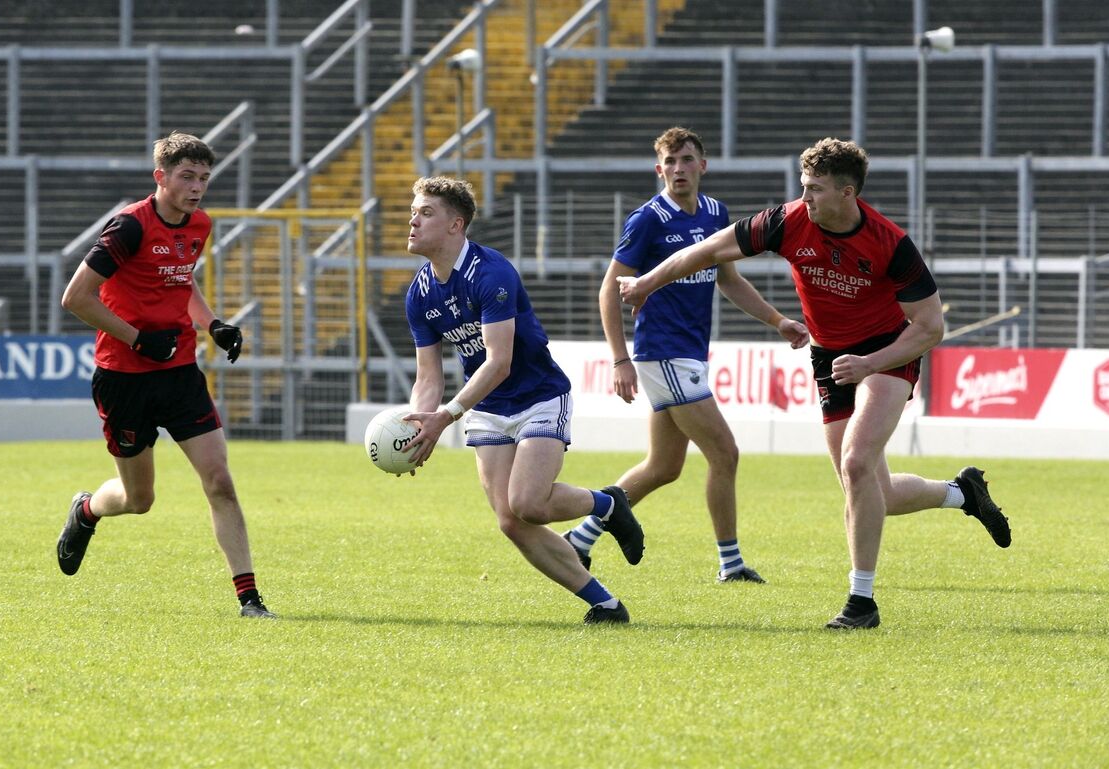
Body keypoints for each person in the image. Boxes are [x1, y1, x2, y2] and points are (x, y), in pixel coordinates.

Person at [618, 137, 1011, 630]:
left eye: (815, 190)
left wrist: (871, 364)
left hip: (889, 353)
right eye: (803, 187)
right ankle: (962, 494)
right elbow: (707, 252)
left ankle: (861, 602)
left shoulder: (891, 244)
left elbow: (930, 328)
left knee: (857, 460)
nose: (804, 199)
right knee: (870, 491)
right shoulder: (786, 221)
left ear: (848, 194)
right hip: (830, 357)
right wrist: (647, 283)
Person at [562, 126, 809, 585]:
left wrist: (778, 321)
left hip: (691, 354)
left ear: (703, 165)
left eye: (686, 159)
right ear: (659, 169)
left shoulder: (716, 212)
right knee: (725, 452)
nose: (678, 169)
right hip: (663, 355)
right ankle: (731, 564)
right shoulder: (647, 220)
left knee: (663, 467)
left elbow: (729, 280)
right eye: (670, 162)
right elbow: (608, 290)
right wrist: (621, 360)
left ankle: (579, 537)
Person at [400, 176, 645, 625]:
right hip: (491, 408)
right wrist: (420, 423)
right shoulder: (418, 293)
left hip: (538, 395)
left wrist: (446, 417)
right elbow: (428, 377)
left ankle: (607, 503)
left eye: (426, 212)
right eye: (413, 211)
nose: (413, 220)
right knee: (511, 521)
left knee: (529, 504)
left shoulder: (490, 273)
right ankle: (606, 605)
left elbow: (499, 363)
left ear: (456, 225)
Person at [57, 131, 275, 619]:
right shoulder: (127, 228)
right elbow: (75, 298)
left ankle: (249, 599)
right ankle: (87, 509)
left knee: (219, 481)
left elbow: (183, 274)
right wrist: (136, 338)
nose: (197, 187)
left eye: (203, 178)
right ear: (161, 177)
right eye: (186, 177)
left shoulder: (199, 223)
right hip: (124, 377)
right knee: (139, 499)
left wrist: (211, 323)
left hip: (179, 374)